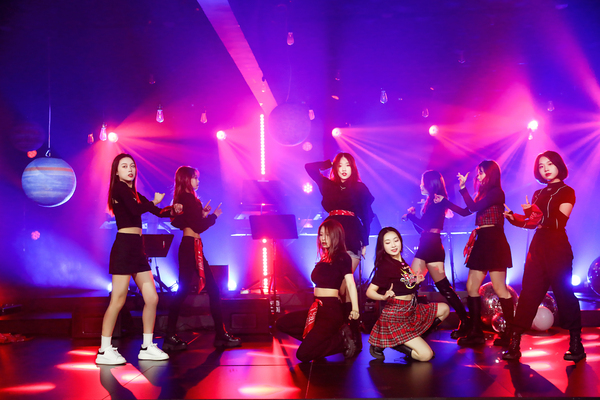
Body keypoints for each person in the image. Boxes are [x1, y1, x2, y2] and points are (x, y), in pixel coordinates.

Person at [96, 153, 179, 365]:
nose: (130, 169)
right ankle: (104, 349)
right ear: (116, 172)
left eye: (132, 166)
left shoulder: (133, 192)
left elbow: (156, 211)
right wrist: (152, 202)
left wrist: (174, 209)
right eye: (124, 166)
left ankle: (147, 346)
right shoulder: (119, 189)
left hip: (137, 248)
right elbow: (136, 210)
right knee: (118, 299)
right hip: (124, 247)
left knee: (152, 298)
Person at [502, 151, 585, 362]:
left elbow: (558, 222)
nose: (545, 168)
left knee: (564, 294)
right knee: (528, 295)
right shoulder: (538, 193)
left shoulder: (567, 191)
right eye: (541, 165)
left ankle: (576, 344)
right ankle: (514, 343)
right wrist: (514, 218)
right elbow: (532, 224)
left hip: (557, 248)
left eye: (549, 164)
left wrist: (535, 217)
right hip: (537, 248)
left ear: (559, 165)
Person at [434, 161, 514, 346]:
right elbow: (465, 212)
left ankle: (510, 333)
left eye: (481, 172)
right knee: (471, 287)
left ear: (491, 174)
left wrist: (463, 189)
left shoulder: (496, 192)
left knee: (500, 288)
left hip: (494, 240)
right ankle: (476, 332)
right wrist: (445, 201)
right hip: (482, 239)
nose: (478, 175)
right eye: (478, 172)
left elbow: (473, 208)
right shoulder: (482, 193)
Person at [165, 166, 241, 350]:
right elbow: (198, 227)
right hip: (191, 246)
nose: (198, 181)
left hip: (190, 246)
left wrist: (202, 215)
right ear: (186, 179)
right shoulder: (189, 199)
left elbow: (183, 223)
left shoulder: (181, 198)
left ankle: (171, 336)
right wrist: (213, 216)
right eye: (194, 178)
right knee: (210, 290)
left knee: (190, 290)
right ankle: (220, 335)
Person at [305, 153, 374, 346]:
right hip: (331, 236)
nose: (344, 169)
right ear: (335, 168)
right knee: (336, 287)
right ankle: (344, 333)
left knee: (345, 285)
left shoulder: (359, 188)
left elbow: (367, 216)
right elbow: (309, 167)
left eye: (347, 165)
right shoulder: (327, 184)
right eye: (340, 165)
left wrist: (365, 242)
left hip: (352, 235)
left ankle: (351, 330)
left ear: (353, 168)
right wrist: (328, 163)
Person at [275, 219, 360, 362]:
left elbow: (351, 284)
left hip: (330, 312)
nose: (323, 238)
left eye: (327, 235)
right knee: (281, 323)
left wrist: (355, 309)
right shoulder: (324, 258)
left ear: (336, 235)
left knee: (303, 355)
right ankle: (318, 344)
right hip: (316, 309)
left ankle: (341, 341)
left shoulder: (342, 257)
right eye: (321, 235)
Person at [367, 227, 449, 361]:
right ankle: (391, 342)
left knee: (444, 309)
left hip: (411, 310)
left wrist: (416, 281)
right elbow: (369, 292)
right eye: (387, 242)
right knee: (426, 355)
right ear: (383, 246)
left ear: (400, 241)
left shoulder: (402, 262)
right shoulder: (385, 266)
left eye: (396, 240)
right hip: (396, 317)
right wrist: (383, 297)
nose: (393, 245)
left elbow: (404, 285)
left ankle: (416, 337)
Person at [405, 170, 470, 339]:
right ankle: (415, 321)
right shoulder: (430, 201)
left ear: (430, 184)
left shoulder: (439, 200)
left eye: (422, 182)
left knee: (443, 287)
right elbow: (423, 228)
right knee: (410, 284)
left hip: (432, 246)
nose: (420, 185)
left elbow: (465, 212)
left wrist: (412, 217)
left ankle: (465, 321)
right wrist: (412, 217)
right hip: (425, 244)